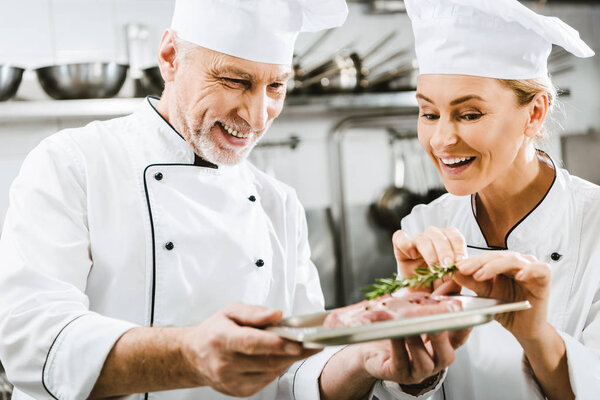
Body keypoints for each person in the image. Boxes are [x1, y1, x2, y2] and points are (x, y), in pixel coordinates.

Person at [0, 1, 352, 399]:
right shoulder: (73, 164)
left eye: (275, 87)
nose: (257, 117)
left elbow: (299, 369)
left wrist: (368, 363)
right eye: (235, 81)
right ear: (170, 58)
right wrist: (190, 356)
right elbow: (33, 342)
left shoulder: (279, 203)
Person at [385, 0, 599, 399]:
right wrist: (417, 353)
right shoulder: (424, 226)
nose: (442, 140)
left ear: (534, 114)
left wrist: (535, 335)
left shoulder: (595, 226)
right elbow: (402, 389)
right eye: (429, 114)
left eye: (469, 114)